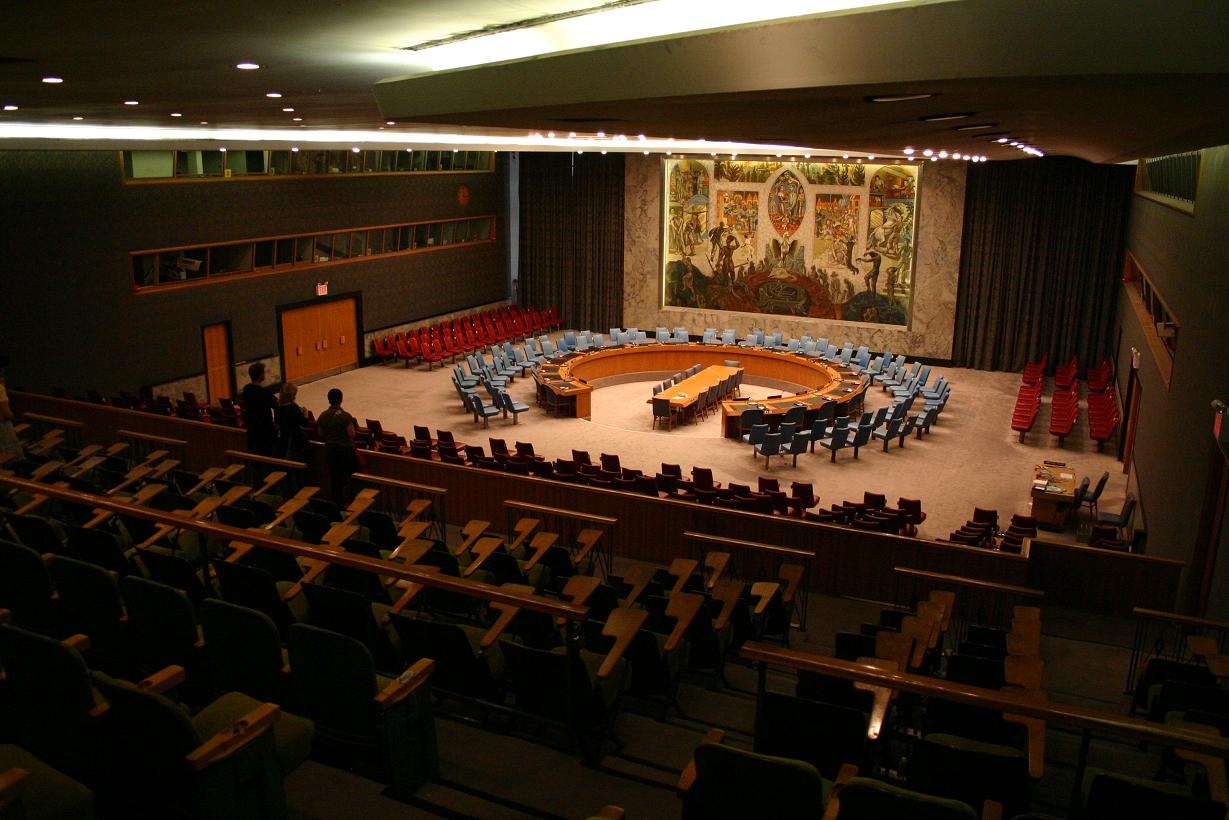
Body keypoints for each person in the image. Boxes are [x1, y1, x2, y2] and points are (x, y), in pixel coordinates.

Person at [318, 387, 358, 502]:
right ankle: (350, 501)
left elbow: (320, 433)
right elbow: (352, 434)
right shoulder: (345, 416)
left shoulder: (323, 415)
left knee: (335, 478)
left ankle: (337, 502)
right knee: (350, 477)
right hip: (345, 451)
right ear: (341, 399)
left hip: (330, 451)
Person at [240, 362, 277, 456]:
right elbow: (277, 405)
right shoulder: (263, 392)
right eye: (263, 372)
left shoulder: (246, 389)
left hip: (252, 429)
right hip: (265, 432)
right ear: (260, 375)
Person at [275, 382, 308, 461]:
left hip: (283, 438)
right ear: (292, 395)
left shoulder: (277, 406)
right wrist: (305, 413)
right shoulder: (293, 408)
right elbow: (304, 423)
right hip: (295, 440)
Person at [0, 355, 23, 461]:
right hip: (3, 425)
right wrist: (14, 418)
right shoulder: (0, 388)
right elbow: (6, 413)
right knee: (11, 454)